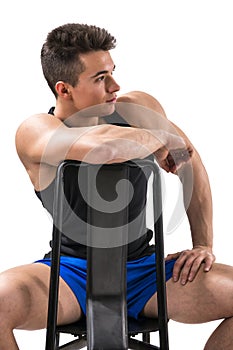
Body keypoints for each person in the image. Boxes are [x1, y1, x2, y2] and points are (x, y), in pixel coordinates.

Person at [1, 23, 232, 350]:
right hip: (69, 274)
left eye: (112, 71)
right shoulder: (36, 130)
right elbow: (104, 150)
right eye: (100, 78)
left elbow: (189, 162)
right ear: (64, 90)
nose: (115, 85)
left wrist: (203, 245)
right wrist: (161, 137)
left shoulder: (139, 106)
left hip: (146, 273)